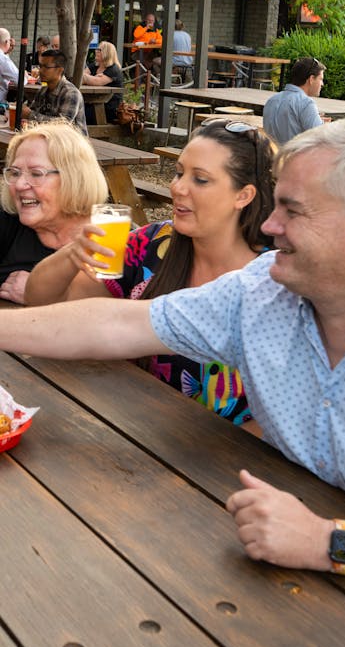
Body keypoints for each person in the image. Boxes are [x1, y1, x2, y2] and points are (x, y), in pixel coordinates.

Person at [3, 117, 345, 579]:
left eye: (294, 210)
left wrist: (327, 542)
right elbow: (112, 323)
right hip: (265, 559)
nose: (271, 225)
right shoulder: (262, 291)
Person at [25, 119, 275, 428]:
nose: (178, 188)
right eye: (179, 172)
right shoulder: (151, 242)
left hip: (223, 462)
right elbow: (46, 305)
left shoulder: (273, 279)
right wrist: (71, 255)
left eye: (200, 179)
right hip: (127, 431)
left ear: (244, 195)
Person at [0, 121, 108, 304]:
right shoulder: (7, 221)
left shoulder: (115, 236)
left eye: (35, 174)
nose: (19, 184)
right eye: (15, 173)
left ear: (73, 178)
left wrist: (39, 294)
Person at [263, 56, 345, 145]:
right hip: (298, 169)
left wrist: (317, 121)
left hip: (274, 164)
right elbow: (325, 140)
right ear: (311, 79)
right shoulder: (306, 103)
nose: (322, 84)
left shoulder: (271, 100)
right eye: (321, 79)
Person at [22, 49, 88, 136]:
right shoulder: (43, 90)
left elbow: (62, 125)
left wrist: (30, 115)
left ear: (60, 70)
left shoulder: (71, 93)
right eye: (40, 66)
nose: (40, 71)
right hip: (49, 139)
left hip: (72, 144)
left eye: (46, 67)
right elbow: (32, 113)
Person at [81, 41, 124, 124]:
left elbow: (96, 82)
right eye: (97, 49)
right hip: (93, 102)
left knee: (82, 114)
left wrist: (90, 79)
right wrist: (91, 78)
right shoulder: (95, 65)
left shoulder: (113, 69)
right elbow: (81, 77)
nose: (96, 51)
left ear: (107, 53)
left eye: (99, 50)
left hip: (108, 106)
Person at [0, 27, 23, 105]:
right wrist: (25, 74)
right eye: (10, 43)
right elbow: (20, 80)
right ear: (7, 42)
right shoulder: (2, 58)